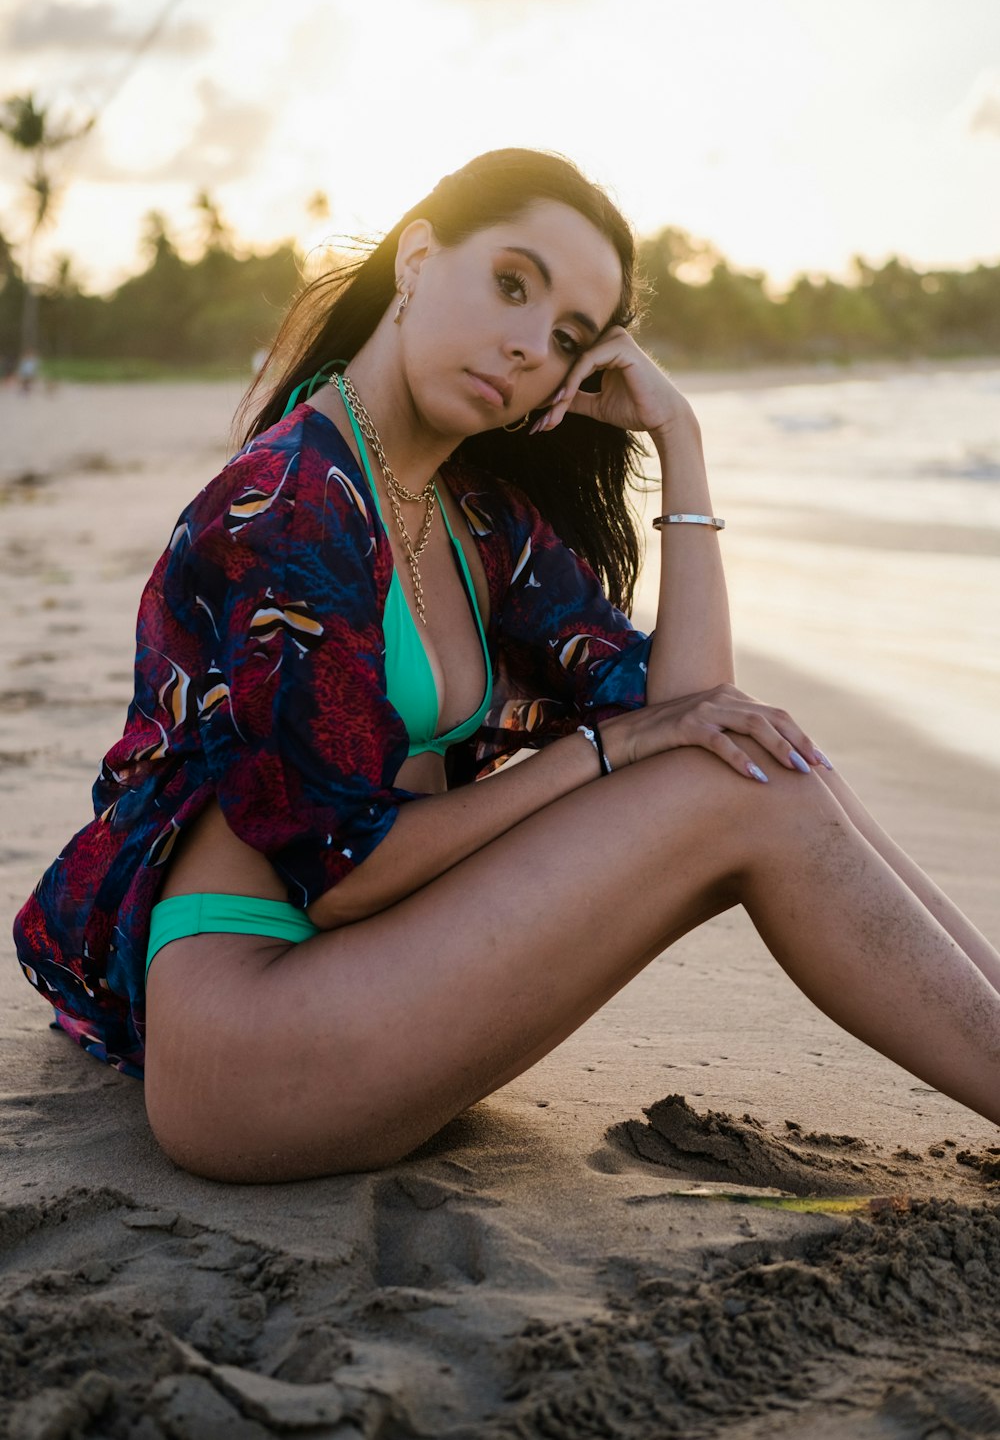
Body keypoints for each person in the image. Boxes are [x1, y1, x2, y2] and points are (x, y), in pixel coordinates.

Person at [13, 148, 1000, 1184]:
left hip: (379, 987)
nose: (530, 345)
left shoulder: (472, 516)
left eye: (567, 336)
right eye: (512, 284)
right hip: (254, 1039)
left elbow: (695, 707)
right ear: (418, 258)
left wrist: (681, 435)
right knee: (743, 785)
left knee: (756, 759)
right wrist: (597, 754)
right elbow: (343, 880)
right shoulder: (292, 502)